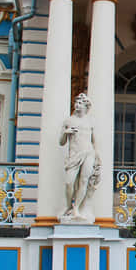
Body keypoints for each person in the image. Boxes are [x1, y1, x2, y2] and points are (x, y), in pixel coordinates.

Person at [60, 92, 101, 222]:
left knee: (84, 181)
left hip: (88, 153)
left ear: (86, 106)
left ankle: (76, 208)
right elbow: (61, 142)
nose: (77, 105)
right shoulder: (69, 121)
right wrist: (66, 133)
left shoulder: (90, 121)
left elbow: (94, 141)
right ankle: (69, 207)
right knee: (69, 183)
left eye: (80, 103)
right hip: (74, 155)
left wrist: (97, 155)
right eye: (76, 103)